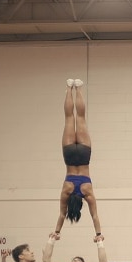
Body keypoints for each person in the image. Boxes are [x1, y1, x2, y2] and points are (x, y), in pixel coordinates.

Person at [54, 79, 102, 240]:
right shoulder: (66, 192)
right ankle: (69, 88)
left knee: (80, 117)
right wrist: (57, 232)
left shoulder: (87, 192)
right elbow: (62, 214)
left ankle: (78, 88)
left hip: (83, 155)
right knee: (69, 118)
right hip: (69, 155)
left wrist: (99, 234)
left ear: (81, 204)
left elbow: (95, 216)